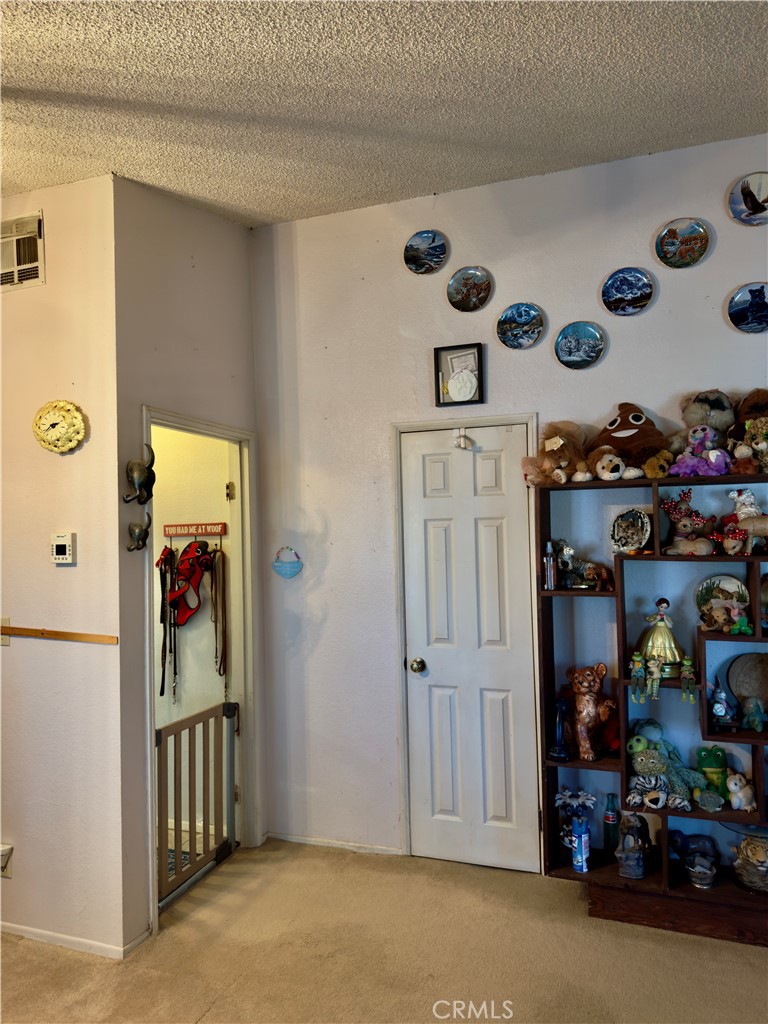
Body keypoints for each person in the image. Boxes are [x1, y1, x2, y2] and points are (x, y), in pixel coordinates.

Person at [640, 597, 684, 671]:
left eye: (665, 607)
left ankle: (665, 662)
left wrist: (665, 620)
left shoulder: (667, 616)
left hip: (665, 632)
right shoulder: (654, 615)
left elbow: (670, 626)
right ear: (658, 606)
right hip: (656, 631)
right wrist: (656, 619)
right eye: (661, 607)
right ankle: (653, 662)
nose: (663, 609)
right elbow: (650, 624)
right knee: (654, 643)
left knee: (667, 644)